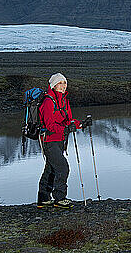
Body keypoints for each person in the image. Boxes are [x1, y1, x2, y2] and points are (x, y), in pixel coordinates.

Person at [37, 73, 91, 209]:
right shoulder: (48, 102)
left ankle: (43, 198)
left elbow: (68, 121)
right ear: (53, 85)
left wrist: (81, 124)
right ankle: (59, 198)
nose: (63, 86)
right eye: (60, 83)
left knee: (50, 168)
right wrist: (66, 130)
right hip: (49, 141)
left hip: (60, 140)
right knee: (62, 167)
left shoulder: (64, 101)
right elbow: (50, 125)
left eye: (65, 83)